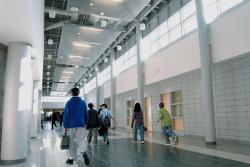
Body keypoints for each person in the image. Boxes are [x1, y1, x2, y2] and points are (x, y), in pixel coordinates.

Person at [63, 88, 90, 165]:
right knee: (80, 139)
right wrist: (85, 122)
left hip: (71, 125)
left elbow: (66, 115)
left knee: (70, 141)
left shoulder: (69, 103)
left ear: (71, 93)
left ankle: (70, 159)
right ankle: (84, 153)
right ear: (79, 93)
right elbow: (86, 114)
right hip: (81, 124)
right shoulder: (83, 103)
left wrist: (65, 125)